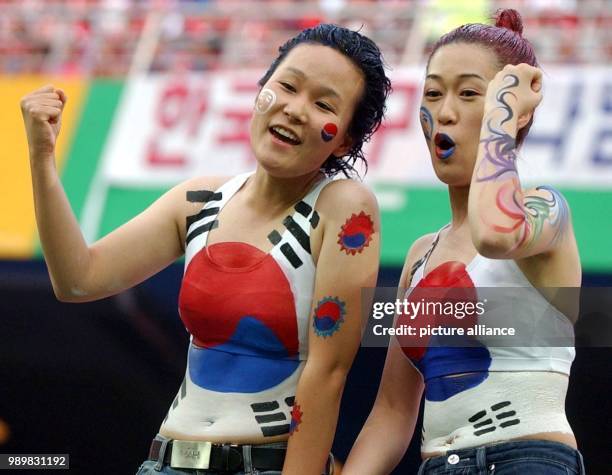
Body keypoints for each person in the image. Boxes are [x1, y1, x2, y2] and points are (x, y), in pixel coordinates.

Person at [20, 23, 391, 475]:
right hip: (165, 461)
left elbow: (329, 374)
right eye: (287, 86)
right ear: (260, 90)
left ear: (347, 139)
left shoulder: (345, 207)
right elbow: (77, 281)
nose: (295, 109)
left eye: (323, 104)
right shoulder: (197, 201)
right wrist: (42, 157)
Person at [343, 9, 585, 475]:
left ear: (514, 110)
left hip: (526, 459)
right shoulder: (420, 254)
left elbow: (494, 234)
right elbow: (392, 412)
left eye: (470, 93)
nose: (445, 111)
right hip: (436, 464)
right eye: (433, 93)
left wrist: (503, 116)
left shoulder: (546, 211)